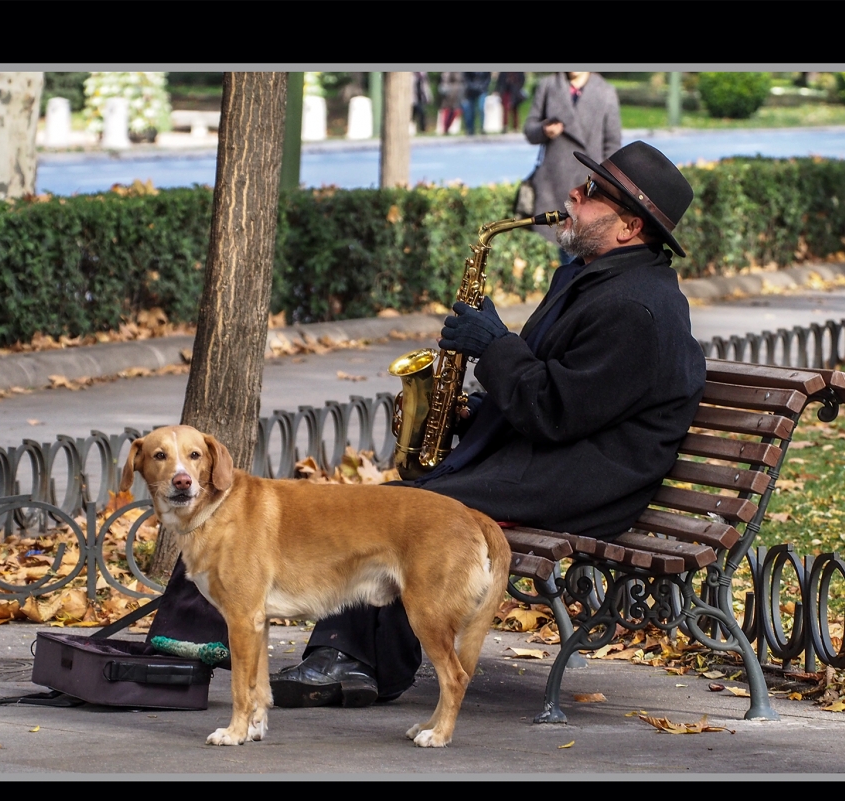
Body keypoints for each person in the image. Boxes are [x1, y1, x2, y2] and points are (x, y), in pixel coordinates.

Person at [145, 140, 700, 708]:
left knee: (400, 511)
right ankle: (236, 649)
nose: (571, 197)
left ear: (629, 226)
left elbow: (557, 411)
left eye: (589, 195)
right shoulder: (597, 280)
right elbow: (568, 395)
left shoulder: (637, 309)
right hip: (555, 461)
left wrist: (495, 347)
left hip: (586, 484)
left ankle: (346, 659)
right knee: (393, 505)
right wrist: (469, 412)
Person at [524, 72, 622, 264]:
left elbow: (612, 145)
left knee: (581, 254)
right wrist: (544, 130)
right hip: (553, 183)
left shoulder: (606, 91)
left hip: (588, 188)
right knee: (565, 253)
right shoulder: (549, 86)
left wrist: (605, 186)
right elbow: (530, 131)